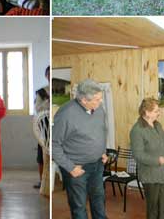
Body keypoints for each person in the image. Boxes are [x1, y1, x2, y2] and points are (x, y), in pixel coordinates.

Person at [52, 79, 108, 219]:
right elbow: (54, 145)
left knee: (99, 200)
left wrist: (103, 151)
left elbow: (101, 131)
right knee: (79, 207)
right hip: (77, 168)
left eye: (101, 98)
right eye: (96, 99)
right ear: (83, 99)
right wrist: (70, 167)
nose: (100, 102)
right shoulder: (66, 114)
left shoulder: (99, 109)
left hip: (97, 164)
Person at [130, 98, 164, 219]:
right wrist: (157, 160)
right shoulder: (137, 130)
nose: (159, 113)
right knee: (153, 209)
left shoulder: (157, 125)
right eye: (156, 111)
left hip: (163, 173)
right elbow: (138, 154)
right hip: (150, 175)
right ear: (147, 112)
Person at [33, 66, 50, 189]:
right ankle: (42, 181)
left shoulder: (61, 90)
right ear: (46, 76)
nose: (51, 75)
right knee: (42, 154)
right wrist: (46, 102)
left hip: (57, 124)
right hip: (44, 125)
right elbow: (37, 109)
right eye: (48, 73)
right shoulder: (41, 92)